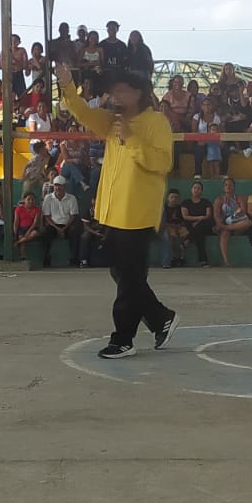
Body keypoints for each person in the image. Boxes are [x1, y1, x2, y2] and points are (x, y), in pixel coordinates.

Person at [54, 62, 176, 355]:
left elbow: (163, 162)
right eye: (113, 91)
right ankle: (160, 318)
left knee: (129, 279)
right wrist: (67, 84)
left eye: (122, 91)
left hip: (138, 214)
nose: (115, 96)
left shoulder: (156, 123)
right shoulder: (112, 122)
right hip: (112, 212)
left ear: (139, 93)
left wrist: (131, 140)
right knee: (122, 274)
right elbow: (82, 112)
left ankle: (122, 339)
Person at [39, 176, 82, 268]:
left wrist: (64, 229)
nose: (57, 188)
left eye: (60, 185)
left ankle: (73, 258)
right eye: (56, 185)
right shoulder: (48, 198)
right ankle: (46, 258)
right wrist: (58, 229)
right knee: (45, 232)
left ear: (64, 186)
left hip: (67, 225)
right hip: (53, 225)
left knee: (75, 231)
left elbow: (73, 216)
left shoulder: (72, 198)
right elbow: (47, 216)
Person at [181, 180, 215, 268]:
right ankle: (203, 261)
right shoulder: (185, 202)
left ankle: (188, 240)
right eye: (195, 188)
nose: (196, 190)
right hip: (191, 225)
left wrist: (198, 221)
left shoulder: (206, 202)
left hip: (204, 225)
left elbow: (208, 215)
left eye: (199, 188)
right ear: (191, 189)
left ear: (201, 191)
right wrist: (199, 218)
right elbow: (185, 216)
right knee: (199, 234)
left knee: (201, 226)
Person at [160, 188, 187, 268]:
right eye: (172, 197)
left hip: (179, 227)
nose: (174, 199)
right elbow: (163, 223)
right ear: (168, 198)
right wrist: (172, 226)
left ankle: (182, 257)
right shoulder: (164, 208)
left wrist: (180, 226)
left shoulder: (180, 208)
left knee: (186, 234)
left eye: (176, 197)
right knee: (171, 236)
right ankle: (173, 257)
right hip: (168, 227)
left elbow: (183, 219)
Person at [14, 191, 43, 259]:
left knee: (34, 233)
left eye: (32, 199)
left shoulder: (37, 209)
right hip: (21, 228)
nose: (31, 201)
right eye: (28, 199)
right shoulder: (19, 209)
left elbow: (35, 223)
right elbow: (16, 222)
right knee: (22, 237)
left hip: (32, 228)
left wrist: (29, 231)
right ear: (24, 200)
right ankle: (22, 255)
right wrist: (15, 233)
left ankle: (18, 242)